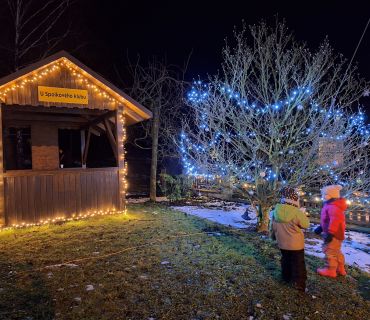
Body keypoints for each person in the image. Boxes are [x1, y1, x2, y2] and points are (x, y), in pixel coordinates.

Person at [269, 186, 310, 292]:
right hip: (296, 245)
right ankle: (299, 283)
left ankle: (286, 277)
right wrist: (303, 216)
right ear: (295, 201)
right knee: (298, 263)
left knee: (285, 260)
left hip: (282, 243)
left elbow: (272, 226)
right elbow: (306, 225)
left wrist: (273, 237)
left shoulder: (275, 211)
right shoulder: (297, 213)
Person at [315, 185, 347, 277]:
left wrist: (330, 233)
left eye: (326, 194)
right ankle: (340, 268)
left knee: (329, 250)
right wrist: (321, 227)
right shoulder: (333, 205)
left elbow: (335, 221)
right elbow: (328, 220)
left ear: (333, 196)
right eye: (323, 194)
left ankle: (330, 270)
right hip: (336, 233)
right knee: (336, 250)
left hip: (333, 234)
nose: (323, 196)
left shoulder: (333, 207)